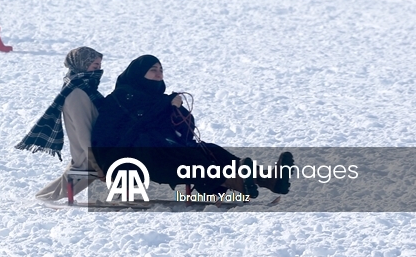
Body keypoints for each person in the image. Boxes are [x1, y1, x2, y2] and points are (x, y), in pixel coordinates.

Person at [91, 55, 294, 196]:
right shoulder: (122, 96)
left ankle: (266, 178)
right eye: (153, 70)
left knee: (208, 150)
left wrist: (178, 112)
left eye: (161, 70)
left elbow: (174, 129)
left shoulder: (156, 98)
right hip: (124, 159)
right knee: (183, 156)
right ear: (138, 74)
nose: (159, 74)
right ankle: (233, 181)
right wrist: (167, 104)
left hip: (154, 150)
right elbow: (137, 123)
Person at [17, 47, 105, 201]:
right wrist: (97, 162)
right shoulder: (78, 93)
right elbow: (83, 131)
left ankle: (45, 196)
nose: (98, 70)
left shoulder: (82, 87)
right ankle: (47, 197)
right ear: (82, 64)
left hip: (88, 151)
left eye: (99, 66)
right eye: (95, 66)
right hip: (88, 154)